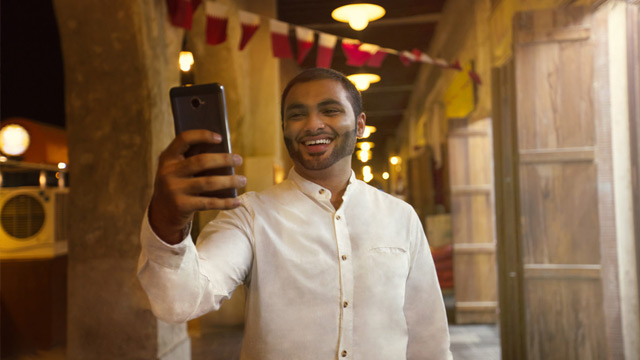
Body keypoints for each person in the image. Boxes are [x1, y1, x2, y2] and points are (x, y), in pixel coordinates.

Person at [138, 68, 452, 359]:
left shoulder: (400, 217)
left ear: (359, 125)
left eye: (330, 110)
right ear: (285, 129)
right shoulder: (250, 215)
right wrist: (168, 220)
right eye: (297, 115)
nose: (313, 124)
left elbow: (428, 336)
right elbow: (178, 301)